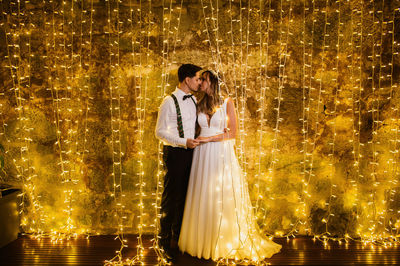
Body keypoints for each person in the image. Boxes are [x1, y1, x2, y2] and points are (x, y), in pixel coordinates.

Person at [178, 70, 281, 262]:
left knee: (220, 196)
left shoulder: (227, 103)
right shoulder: (198, 104)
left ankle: (223, 240)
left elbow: (232, 133)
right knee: (204, 194)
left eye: (204, 80)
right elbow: (194, 129)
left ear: (213, 82)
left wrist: (209, 137)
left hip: (220, 153)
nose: (200, 83)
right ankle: (202, 240)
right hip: (202, 155)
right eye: (199, 80)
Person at [155, 63, 202, 261]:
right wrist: (184, 142)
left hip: (191, 153)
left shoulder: (193, 100)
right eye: (198, 78)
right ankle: (162, 243)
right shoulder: (168, 101)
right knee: (171, 198)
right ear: (187, 79)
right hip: (175, 153)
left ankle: (177, 239)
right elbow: (159, 132)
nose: (200, 83)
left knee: (185, 197)